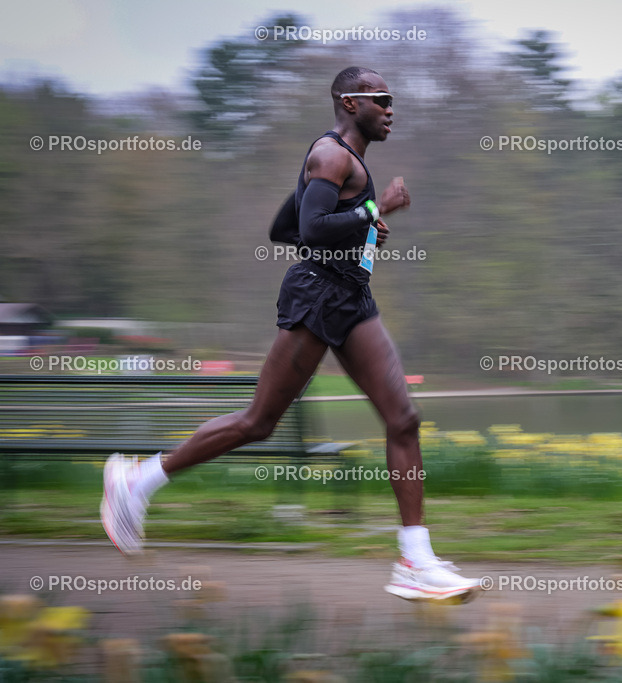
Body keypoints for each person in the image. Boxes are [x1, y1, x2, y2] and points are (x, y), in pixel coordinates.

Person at [101, 66, 481, 602]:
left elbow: (284, 228)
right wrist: (374, 210)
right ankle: (137, 481)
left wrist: (361, 225)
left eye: (392, 100)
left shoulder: (342, 162)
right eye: (381, 99)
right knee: (259, 422)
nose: (391, 109)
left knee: (404, 419)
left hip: (352, 299)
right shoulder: (330, 156)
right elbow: (309, 231)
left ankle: (415, 561)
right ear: (349, 103)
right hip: (319, 297)